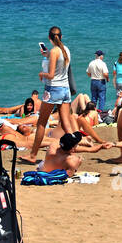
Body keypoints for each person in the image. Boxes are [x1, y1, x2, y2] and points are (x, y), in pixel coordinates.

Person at [28, 27, 80, 162]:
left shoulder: (54, 51)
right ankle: (72, 150)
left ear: (49, 38)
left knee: (41, 123)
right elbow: (59, 62)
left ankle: (33, 155)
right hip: (65, 89)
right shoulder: (65, 50)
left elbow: (50, 75)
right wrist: (47, 55)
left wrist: (41, 74)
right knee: (66, 124)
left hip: (53, 90)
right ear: (61, 37)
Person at [38, 130, 106, 176]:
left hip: (42, 169)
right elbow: (68, 175)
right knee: (75, 160)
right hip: (53, 173)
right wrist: (78, 163)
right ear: (72, 148)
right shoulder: (72, 160)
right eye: (77, 144)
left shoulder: (53, 145)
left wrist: (100, 146)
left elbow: (89, 149)